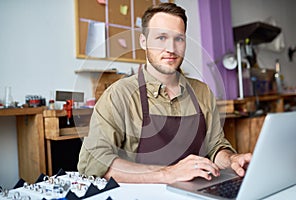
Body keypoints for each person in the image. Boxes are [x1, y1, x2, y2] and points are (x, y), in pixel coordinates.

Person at [77, 2, 251, 184]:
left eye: (179, 39)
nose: (171, 49)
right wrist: (168, 173)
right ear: (143, 41)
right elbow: (93, 161)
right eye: (161, 38)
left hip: (196, 193)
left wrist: (231, 159)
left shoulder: (202, 92)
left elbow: (215, 147)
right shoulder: (119, 95)